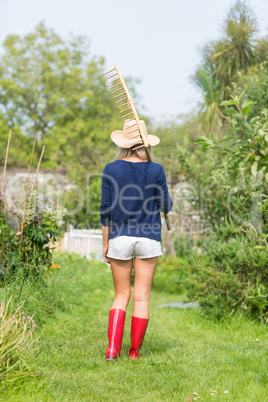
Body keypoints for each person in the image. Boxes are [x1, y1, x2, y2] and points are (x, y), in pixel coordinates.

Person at [99, 119, 173, 361]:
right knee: (142, 297)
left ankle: (112, 351)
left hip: (119, 237)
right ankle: (134, 352)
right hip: (149, 238)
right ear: (145, 143)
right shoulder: (156, 169)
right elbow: (166, 206)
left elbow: (106, 209)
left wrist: (105, 243)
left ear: (124, 142)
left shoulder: (111, 168)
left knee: (121, 295)